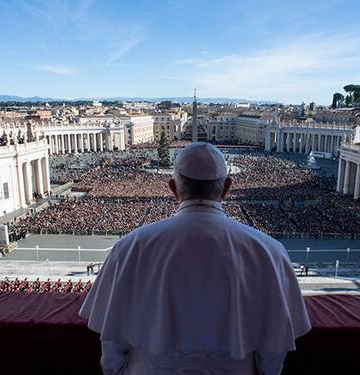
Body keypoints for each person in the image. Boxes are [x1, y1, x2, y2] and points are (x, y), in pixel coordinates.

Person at [79, 142, 311, 375]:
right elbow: (274, 346)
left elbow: (112, 339)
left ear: (173, 188)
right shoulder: (269, 251)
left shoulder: (130, 247)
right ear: (227, 188)